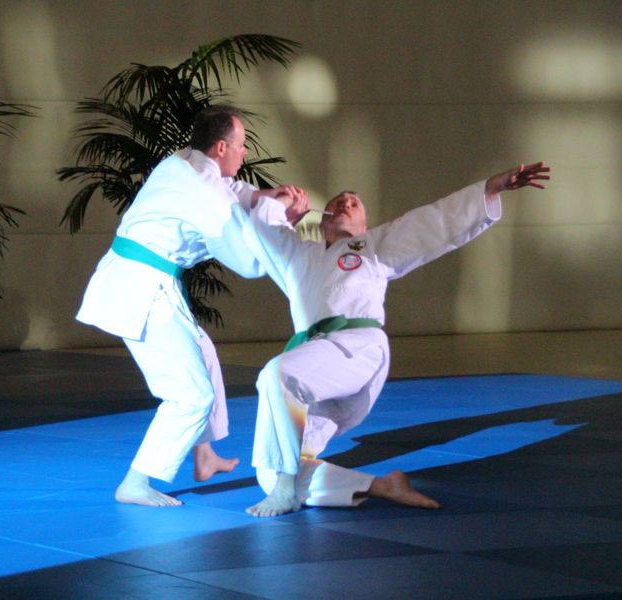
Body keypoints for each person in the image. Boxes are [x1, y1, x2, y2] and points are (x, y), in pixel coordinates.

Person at [241, 162, 551, 517]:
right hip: (319, 370)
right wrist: (283, 201)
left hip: (358, 349)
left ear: (364, 225)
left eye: (354, 203)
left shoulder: (373, 246)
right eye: (338, 201)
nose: (345, 204)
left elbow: (434, 222)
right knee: (273, 467)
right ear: (323, 219)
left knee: (277, 375)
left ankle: (285, 492)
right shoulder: (298, 255)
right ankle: (381, 486)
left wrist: (491, 188)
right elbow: (260, 229)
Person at [75, 105, 306, 506]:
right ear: (221, 147)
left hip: (143, 279)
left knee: (204, 353)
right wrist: (282, 218)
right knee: (191, 396)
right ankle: (135, 482)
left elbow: (231, 191)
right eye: (241, 145)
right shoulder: (204, 192)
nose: (246, 152)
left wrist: (267, 196)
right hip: (140, 289)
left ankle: (204, 454)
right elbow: (250, 262)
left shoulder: (183, 161)